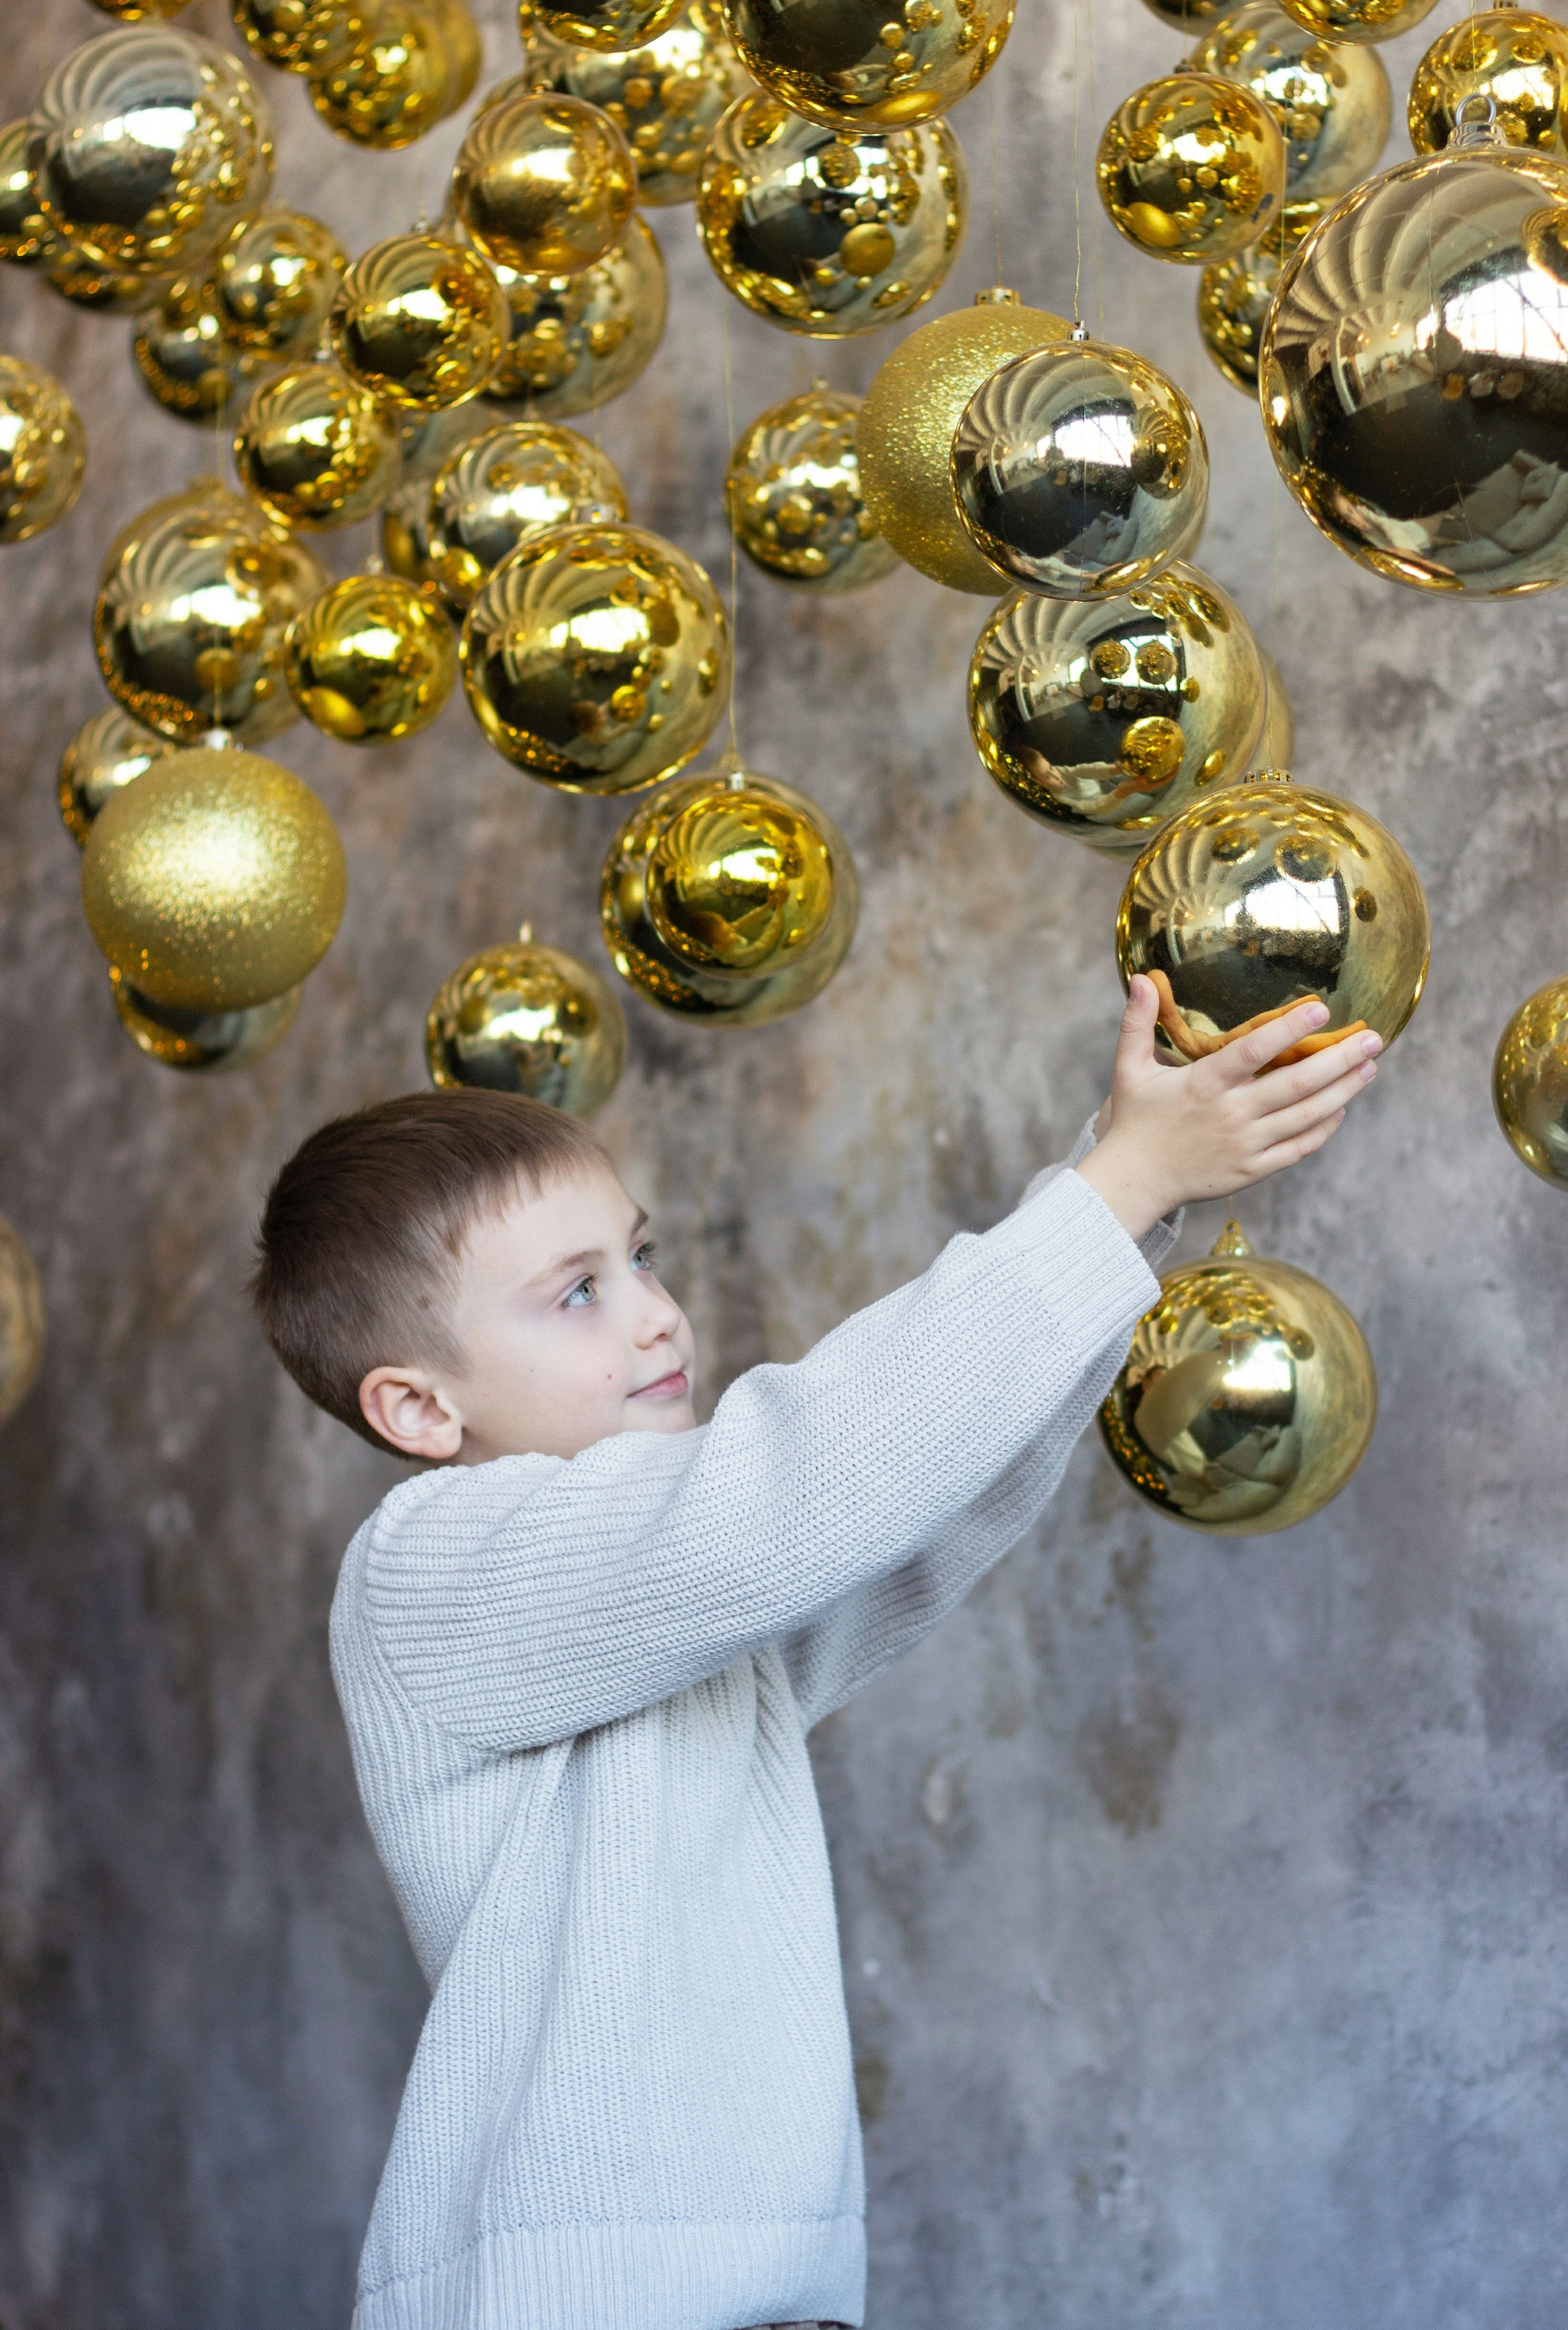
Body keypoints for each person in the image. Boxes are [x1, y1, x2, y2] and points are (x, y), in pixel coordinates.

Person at [251, 976, 1380, 2330]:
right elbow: (793, 1491)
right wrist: (1116, 1190)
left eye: (641, 1258)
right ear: (420, 1409)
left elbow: (911, 1513)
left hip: (773, 2300)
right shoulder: (429, 1571)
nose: (657, 1314)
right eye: (575, 1296)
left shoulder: (666, 1594)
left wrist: (1125, 1184)